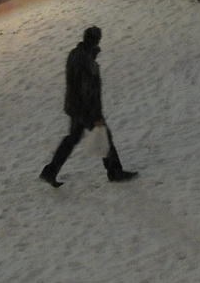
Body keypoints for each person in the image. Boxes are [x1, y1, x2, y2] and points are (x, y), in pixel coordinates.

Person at [39, 26, 138, 186]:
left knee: (73, 138)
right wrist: (96, 115)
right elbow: (88, 89)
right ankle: (115, 172)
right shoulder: (86, 61)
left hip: (74, 106)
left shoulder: (75, 54)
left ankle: (50, 171)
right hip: (86, 108)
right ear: (95, 40)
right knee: (103, 136)